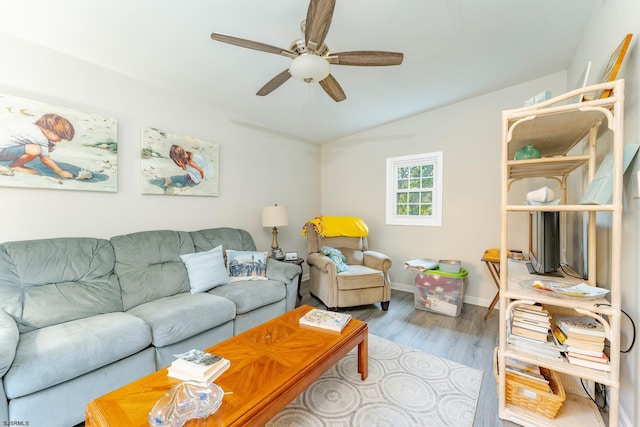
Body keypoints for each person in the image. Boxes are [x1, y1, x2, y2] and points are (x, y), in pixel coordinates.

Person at [0, 113, 75, 178]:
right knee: (36, 150)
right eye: (60, 136)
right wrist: (60, 171)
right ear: (48, 131)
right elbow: (45, 159)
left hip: (3, 147)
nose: (60, 140)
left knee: (39, 148)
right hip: (1, 152)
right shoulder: (41, 138)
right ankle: (15, 166)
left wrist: (47, 146)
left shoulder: (31, 127)